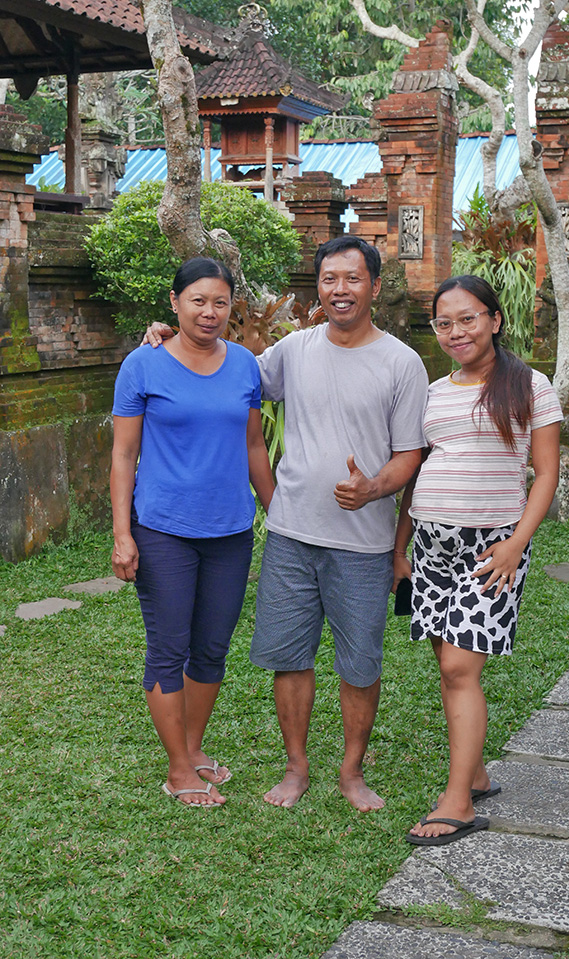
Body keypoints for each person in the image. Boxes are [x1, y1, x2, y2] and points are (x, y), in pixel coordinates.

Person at [145, 236, 428, 811]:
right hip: (292, 539)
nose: (340, 290)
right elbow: (221, 370)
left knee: (360, 662)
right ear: (317, 288)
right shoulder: (291, 352)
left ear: (373, 285)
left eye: (352, 279)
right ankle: (296, 767)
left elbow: (410, 455)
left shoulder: (403, 362)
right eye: (329, 279)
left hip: (364, 541)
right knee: (289, 656)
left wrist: (373, 486)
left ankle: (351, 771)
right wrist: (165, 338)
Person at [393, 274, 562, 845]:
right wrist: (402, 551)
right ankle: (478, 772)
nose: (456, 331)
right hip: (430, 543)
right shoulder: (436, 391)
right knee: (448, 666)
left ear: (494, 319)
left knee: (459, 669)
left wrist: (516, 544)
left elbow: (546, 474)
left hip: (492, 547)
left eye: (468, 318)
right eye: (444, 322)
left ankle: (458, 801)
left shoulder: (530, 385)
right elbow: (417, 472)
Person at [110, 257, 274, 808]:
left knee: (210, 648)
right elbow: (123, 453)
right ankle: (179, 769)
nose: (209, 312)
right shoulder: (143, 365)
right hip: (162, 530)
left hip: (230, 529)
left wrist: (279, 512)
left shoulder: (246, 366)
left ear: (232, 307)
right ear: (175, 302)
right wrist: (121, 533)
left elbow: (254, 446)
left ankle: (195, 747)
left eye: (220, 302)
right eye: (198, 300)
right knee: (169, 647)